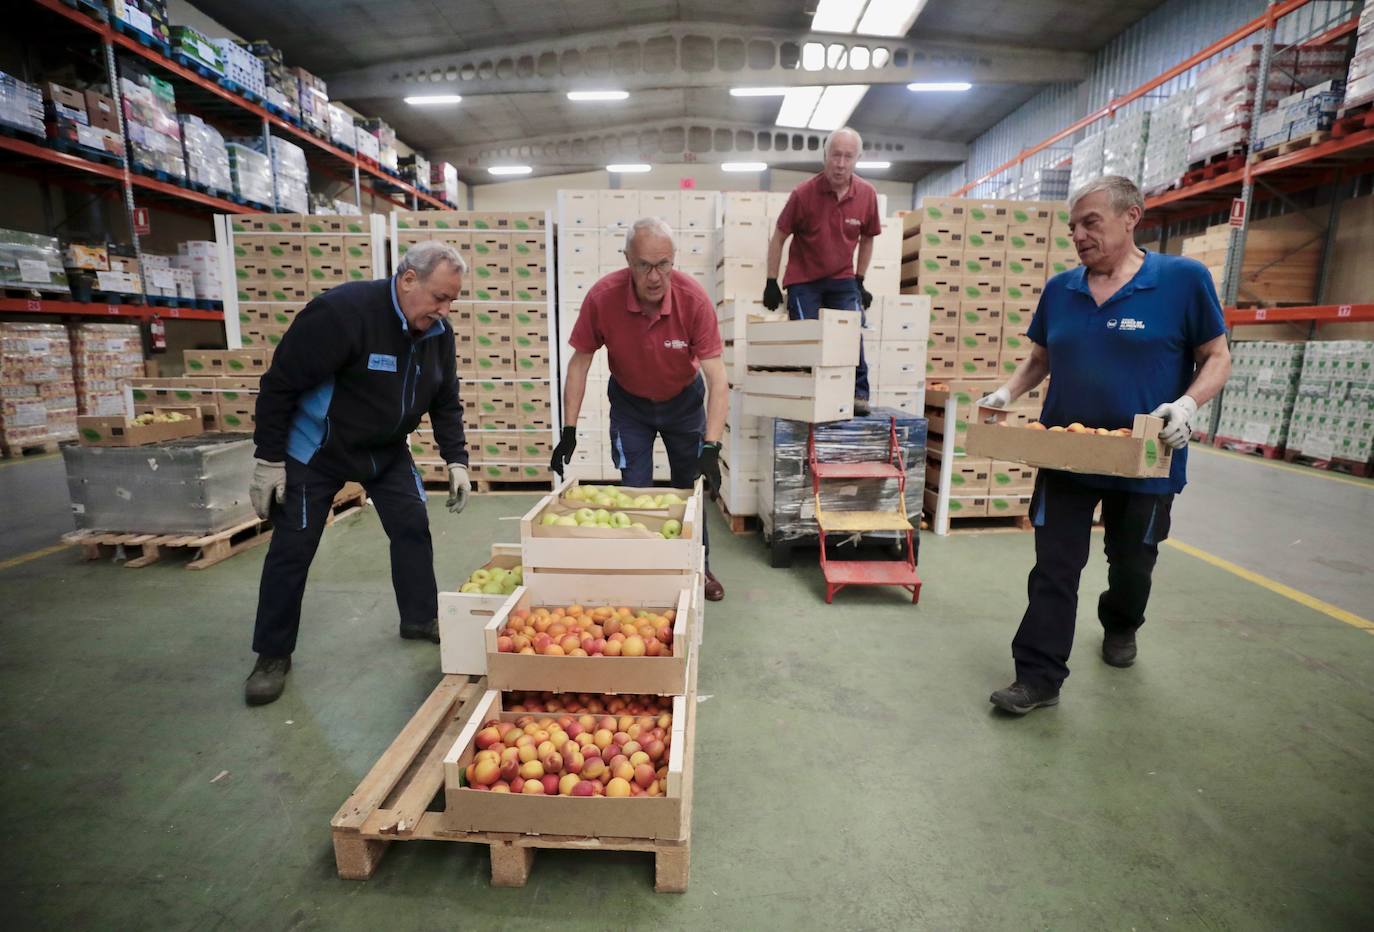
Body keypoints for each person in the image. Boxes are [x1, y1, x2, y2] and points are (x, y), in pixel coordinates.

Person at [980, 175, 1232, 715]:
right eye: (1074, 227)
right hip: (1066, 453)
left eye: (1091, 223)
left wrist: (1186, 406)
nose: (1079, 236)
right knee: (1054, 567)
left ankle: (1121, 622)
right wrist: (1004, 392)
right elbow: (1041, 358)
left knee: (1132, 563)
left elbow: (1216, 357)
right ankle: (1038, 677)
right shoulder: (1061, 290)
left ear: (1131, 217)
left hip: (1144, 458)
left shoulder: (1182, 280)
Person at [243, 241, 473, 706]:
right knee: (294, 546)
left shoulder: (436, 333)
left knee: (411, 526)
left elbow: (445, 399)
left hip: (385, 450)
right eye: (439, 298)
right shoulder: (342, 314)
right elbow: (279, 384)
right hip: (319, 449)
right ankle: (272, 653)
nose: (445, 310)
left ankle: (418, 617)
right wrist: (269, 460)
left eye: (452, 301)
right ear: (408, 279)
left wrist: (457, 459)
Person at [549, 217, 728, 601]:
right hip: (630, 406)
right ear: (627, 259)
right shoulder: (603, 297)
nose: (654, 276)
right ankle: (641, 568)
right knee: (634, 491)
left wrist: (712, 446)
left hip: (683, 403)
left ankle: (699, 566)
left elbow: (717, 378)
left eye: (664, 264)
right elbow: (579, 362)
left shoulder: (693, 300)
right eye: (644, 264)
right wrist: (568, 429)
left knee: (688, 490)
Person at [762, 125, 882, 417]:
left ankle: (858, 393)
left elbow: (867, 238)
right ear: (825, 155)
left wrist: (860, 279)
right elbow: (779, 236)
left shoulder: (867, 195)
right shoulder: (804, 194)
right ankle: (811, 395)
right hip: (805, 280)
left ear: (857, 159)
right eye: (835, 155)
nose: (840, 164)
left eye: (848, 157)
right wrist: (771, 281)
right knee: (808, 337)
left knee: (852, 333)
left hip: (842, 279)